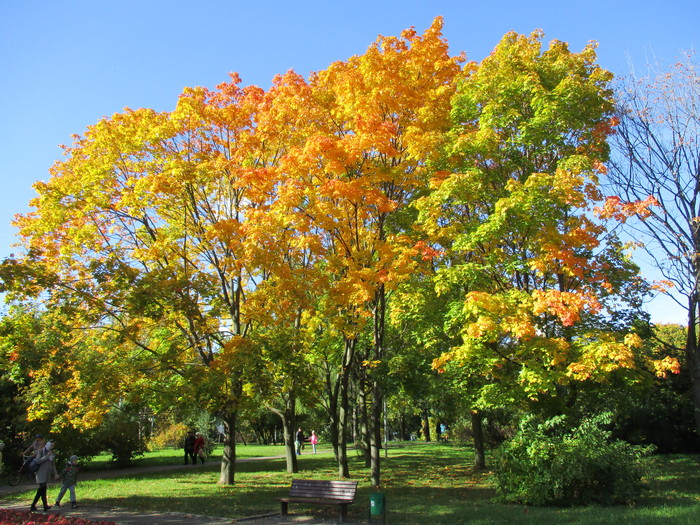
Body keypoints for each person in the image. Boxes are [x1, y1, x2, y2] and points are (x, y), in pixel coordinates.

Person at [30, 439, 58, 512]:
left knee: (42, 489)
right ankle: (43, 506)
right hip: (40, 473)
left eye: (53, 446)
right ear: (48, 444)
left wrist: (55, 473)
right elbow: (38, 461)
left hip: (47, 473)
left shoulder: (52, 453)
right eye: (51, 445)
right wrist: (46, 456)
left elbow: (53, 464)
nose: (52, 447)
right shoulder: (41, 451)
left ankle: (37, 505)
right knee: (42, 489)